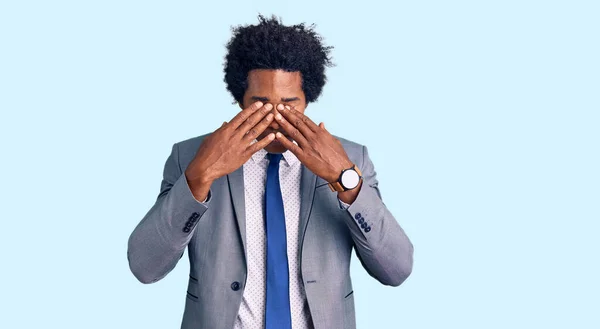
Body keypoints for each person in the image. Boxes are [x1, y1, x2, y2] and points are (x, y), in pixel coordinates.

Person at [127, 15, 413, 329]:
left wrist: (344, 177)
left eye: (289, 104)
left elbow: (396, 269)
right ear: (239, 99)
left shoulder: (352, 157)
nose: (275, 118)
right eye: (260, 104)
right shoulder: (190, 157)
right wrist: (198, 178)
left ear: (308, 99)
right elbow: (145, 267)